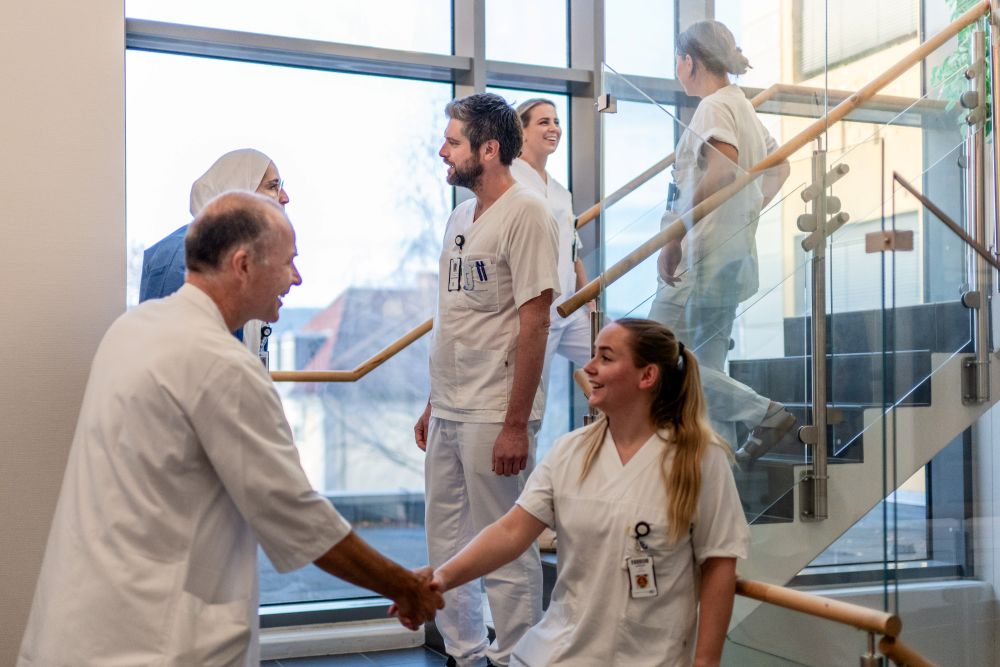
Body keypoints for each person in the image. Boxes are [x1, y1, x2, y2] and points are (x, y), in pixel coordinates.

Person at [18, 192, 443, 667]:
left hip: (75, 629)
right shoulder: (221, 366)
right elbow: (300, 519)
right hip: (152, 645)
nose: (296, 278)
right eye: (289, 262)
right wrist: (405, 588)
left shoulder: (132, 330)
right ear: (243, 265)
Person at [428, 318, 750, 666]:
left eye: (606, 358)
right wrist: (441, 578)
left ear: (647, 376)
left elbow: (719, 564)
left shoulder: (700, 459)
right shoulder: (570, 451)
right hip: (556, 655)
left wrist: (705, 663)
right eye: (593, 354)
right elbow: (510, 532)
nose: (589, 367)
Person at [413, 92, 560, 667]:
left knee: (505, 547)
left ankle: (520, 657)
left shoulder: (528, 214)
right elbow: (455, 316)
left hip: (495, 411)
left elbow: (536, 321)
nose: (442, 152)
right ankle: (466, 652)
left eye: (452, 142)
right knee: (445, 543)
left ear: (489, 150)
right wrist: (432, 401)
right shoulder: (458, 217)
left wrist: (515, 425)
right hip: (450, 405)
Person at [648, 20, 793, 462]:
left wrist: (675, 236)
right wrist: (745, 216)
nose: (676, 68)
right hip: (730, 259)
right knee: (704, 373)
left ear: (690, 60)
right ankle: (716, 479)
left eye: (678, 60)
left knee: (654, 360)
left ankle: (764, 412)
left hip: (702, 262)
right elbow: (779, 167)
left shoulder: (712, 107)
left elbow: (723, 168)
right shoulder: (740, 105)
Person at [139, 147, 289, 360]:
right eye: (272, 187)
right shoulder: (181, 255)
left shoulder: (235, 254)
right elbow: (170, 365)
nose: (285, 198)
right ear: (236, 190)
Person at [511, 98, 592, 406]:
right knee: (530, 406)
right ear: (522, 131)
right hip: (532, 315)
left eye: (557, 122)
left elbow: (572, 252)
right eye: (544, 122)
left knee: (627, 357)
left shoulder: (561, 191)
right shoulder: (511, 181)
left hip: (569, 311)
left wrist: (590, 301)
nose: (554, 128)